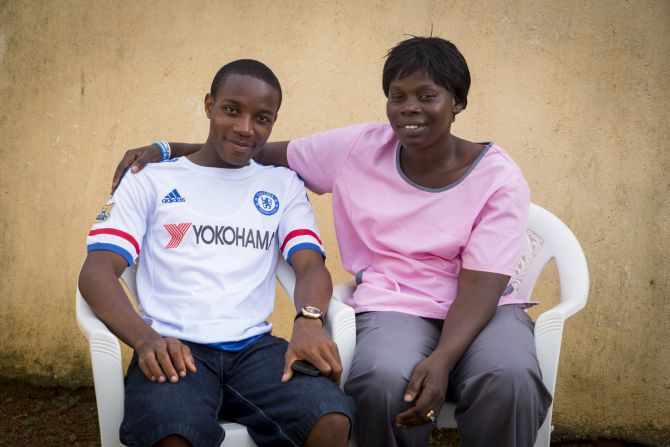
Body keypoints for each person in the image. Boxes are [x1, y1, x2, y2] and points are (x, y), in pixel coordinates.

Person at [111, 38, 552, 447]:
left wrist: (442, 359)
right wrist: (167, 150)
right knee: (381, 379)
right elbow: (254, 147)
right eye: (397, 96)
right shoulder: (359, 147)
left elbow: (481, 285)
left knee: (509, 376)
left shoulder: (498, 177)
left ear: (457, 101)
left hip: (482, 306)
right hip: (395, 303)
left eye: (427, 95)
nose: (409, 108)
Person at [80, 59, 354, 447]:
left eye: (262, 118)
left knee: (328, 418)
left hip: (256, 351)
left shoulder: (282, 184)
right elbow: (96, 273)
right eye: (232, 110)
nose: (246, 128)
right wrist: (145, 341)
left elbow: (310, 264)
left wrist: (309, 320)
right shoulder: (151, 179)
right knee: (171, 433)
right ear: (209, 106)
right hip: (173, 345)